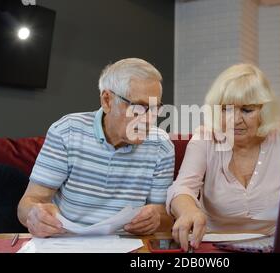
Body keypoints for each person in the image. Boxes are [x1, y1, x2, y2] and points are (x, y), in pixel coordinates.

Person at [18, 58, 175, 237]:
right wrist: (35, 216)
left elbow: (165, 217)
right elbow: (28, 204)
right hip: (68, 243)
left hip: (129, 246)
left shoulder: (161, 145)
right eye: (139, 107)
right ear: (107, 100)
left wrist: (156, 219)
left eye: (154, 109)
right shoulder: (67, 131)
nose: (148, 119)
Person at [166, 63, 280, 251]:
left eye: (247, 110)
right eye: (226, 109)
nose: (235, 120)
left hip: (275, 243)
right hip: (213, 243)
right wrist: (188, 211)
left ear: (264, 111)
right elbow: (182, 187)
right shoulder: (205, 138)